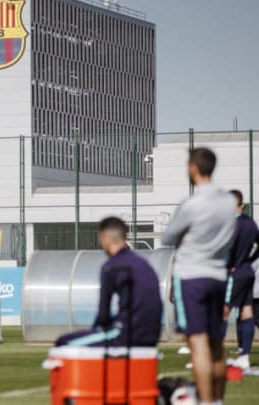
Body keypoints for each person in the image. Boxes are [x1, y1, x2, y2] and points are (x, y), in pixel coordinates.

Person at [161, 147, 236, 405]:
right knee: (217, 342)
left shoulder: (192, 204)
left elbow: (168, 236)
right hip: (218, 275)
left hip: (191, 275)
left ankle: (204, 402)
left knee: (198, 341)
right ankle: (217, 400)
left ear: (193, 167)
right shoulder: (228, 202)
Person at [55, 217, 163, 347]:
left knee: (64, 342)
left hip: (126, 334)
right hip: (153, 335)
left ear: (104, 238)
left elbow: (103, 316)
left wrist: (97, 331)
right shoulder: (144, 264)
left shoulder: (111, 267)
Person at [224, 189, 259, 370]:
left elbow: (228, 249)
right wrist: (248, 260)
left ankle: (213, 356)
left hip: (234, 274)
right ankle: (244, 356)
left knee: (223, 311)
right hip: (247, 272)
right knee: (247, 313)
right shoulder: (251, 223)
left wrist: (231, 264)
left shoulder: (231, 225)